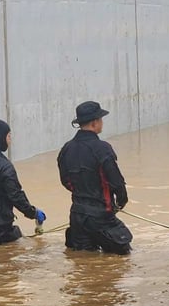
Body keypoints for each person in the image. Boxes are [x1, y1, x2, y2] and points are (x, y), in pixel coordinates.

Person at [57, 100, 133, 254]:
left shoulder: (66, 149)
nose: (102, 123)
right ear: (94, 123)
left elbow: (66, 181)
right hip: (101, 217)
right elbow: (117, 183)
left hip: (77, 216)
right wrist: (119, 203)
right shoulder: (102, 149)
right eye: (101, 119)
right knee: (123, 256)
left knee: (83, 262)